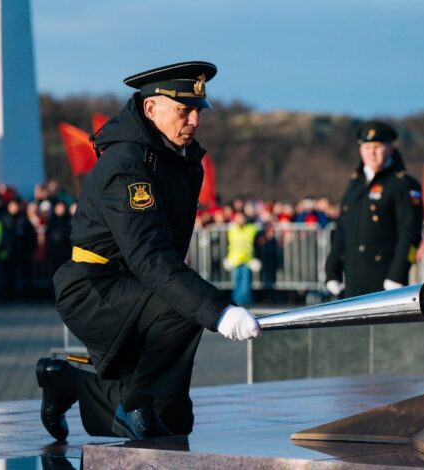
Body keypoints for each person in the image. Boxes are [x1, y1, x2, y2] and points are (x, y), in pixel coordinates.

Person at [36, 61, 260, 442]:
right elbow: (151, 256)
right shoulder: (127, 166)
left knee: (172, 420)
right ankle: (136, 406)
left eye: (197, 111)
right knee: (181, 314)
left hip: (136, 288)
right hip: (95, 287)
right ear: (151, 108)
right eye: (183, 110)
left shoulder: (178, 159)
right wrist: (217, 310)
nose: (194, 120)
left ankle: (66, 381)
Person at [325, 121, 423, 297]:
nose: (371, 152)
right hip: (353, 280)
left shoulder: (403, 184)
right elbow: (341, 229)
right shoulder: (355, 184)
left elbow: (410, 233)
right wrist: (332, 269)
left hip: (386, 281)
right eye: (366, 147)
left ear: (389, 148)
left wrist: (398, 274)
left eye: (377, 147)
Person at [223, 210, 260, 305]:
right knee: (237, 282)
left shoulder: (250, 228)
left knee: (246, 282)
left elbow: (259, 225)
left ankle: (245, 301)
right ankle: (237, 301)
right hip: (235, 260)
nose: (240, 220)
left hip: (247, 259)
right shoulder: (232, 228)